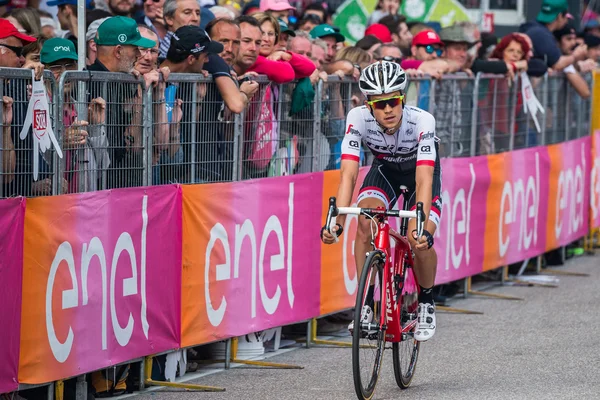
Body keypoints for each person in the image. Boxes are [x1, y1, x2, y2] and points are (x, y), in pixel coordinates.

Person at [321, 61, 441, 342]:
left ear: (402, 98)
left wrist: (421, 225)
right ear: (368, 105)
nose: (387, 109)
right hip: (384, 171)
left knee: (417, 238)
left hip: (419, 175)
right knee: (365, 223)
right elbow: (348, 176)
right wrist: (336, 223)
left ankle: (426, 302)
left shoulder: (423, 120)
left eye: (393, 102)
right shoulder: (357, 117)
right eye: (379, 104)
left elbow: (424, 180)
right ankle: (364, 304)